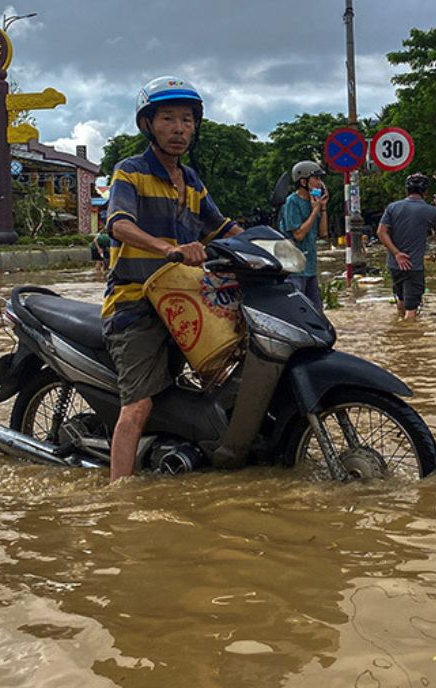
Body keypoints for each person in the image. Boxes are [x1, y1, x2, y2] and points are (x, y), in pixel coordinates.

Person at [102, 76, 244, 481]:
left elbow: (221, 227)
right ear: (148, 124)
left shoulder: (193, 180)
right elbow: (119, 224)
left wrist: (270, 248)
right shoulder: (129, 172)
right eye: (168, 119)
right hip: (135, 305)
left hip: (184, 299)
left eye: (187, 120)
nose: (179, 128)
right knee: (139, 405)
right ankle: (119, 494)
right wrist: (166, 248)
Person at [377, 173, 436, 320]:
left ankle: (399, 332)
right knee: (411, 310)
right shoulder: (430, 211)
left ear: (406, 190)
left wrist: (396, 254)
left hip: (394, 265)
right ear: (425, 192)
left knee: (401, 300)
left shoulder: (392, 207)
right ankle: (409, 337)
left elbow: (381, 232)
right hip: (414, 266)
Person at [279, 159, 329, 310]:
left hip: (310, 267)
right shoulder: (291, 203)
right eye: (316, 178)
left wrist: (323, 208)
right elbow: (299, 234)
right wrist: (315, 211)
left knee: (317, 310)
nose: (319, 183)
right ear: (303, 181)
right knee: (300, 310)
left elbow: (323, 233)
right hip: (294, 268)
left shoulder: (314, 202)